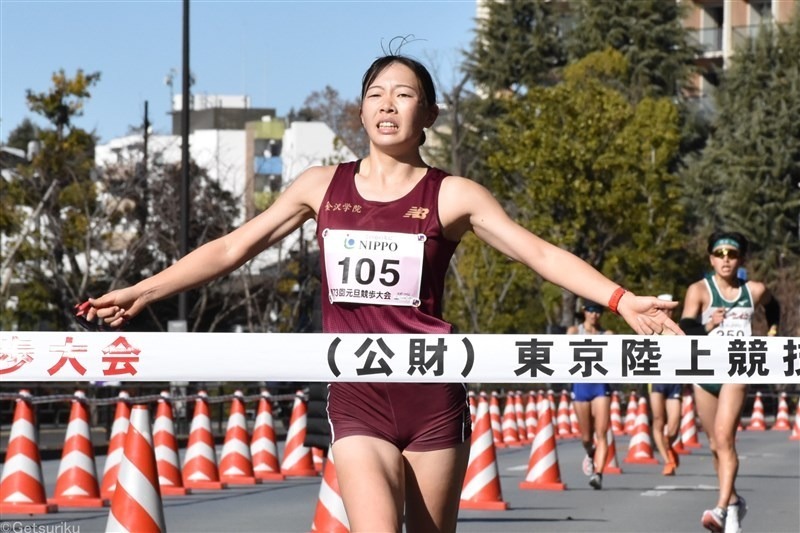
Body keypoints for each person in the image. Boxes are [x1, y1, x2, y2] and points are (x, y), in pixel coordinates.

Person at [84, 53, 680, 532]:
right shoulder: (321, 186)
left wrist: (621, 300)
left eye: (404, 94)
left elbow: (539, 254)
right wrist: (144, 290)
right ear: (361, 111)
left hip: (431, 395)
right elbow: (232, 247)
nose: (387, 104)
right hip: (358, 394)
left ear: (429, 114)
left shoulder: (454, 195)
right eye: (376, 94)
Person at [681, 230, 780, 533]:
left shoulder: (754, 289)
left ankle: (721, 509)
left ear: (741, 259)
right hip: (704, 372)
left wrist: (773, 331)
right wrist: (708, 324)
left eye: (732, 254)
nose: (726, 260)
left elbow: (773, 307)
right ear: (711, 259)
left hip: (737, 369)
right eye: (720, 254)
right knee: (714, 444)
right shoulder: (699, 290)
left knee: (725, 439)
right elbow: (685, 329)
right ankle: (734, 503)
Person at [567, 299, 614, 490]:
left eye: (598, 311)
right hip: (580, 385)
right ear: (584, 311)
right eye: (591, 311)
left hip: (601, 386)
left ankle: (598, 474)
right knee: (586, 437)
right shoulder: (573, 332)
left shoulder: (607, 334)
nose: (595, 315)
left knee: (601, 433)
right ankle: (590, 453)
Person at [647, 293, 683, 476]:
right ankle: (667, 459)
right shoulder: (650, 328)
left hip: (675, 381)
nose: (666, 312)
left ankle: (669, 446)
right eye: (662, 308)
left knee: (675, 423)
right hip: (657, 380)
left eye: (669, 308)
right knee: (659, 420)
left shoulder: (679, 330)